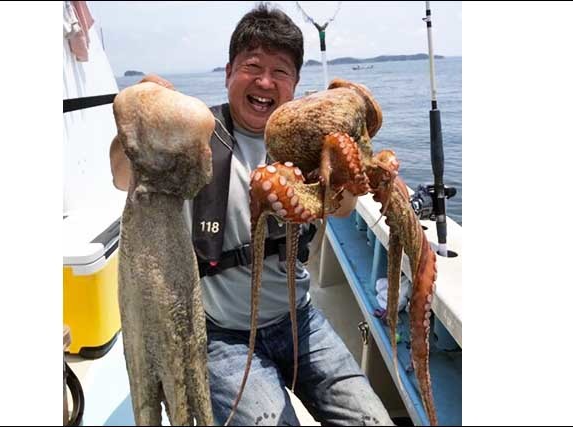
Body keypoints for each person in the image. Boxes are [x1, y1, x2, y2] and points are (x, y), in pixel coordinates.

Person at [110, 4, 395, 426]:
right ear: (228, 73)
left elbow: (344, 208)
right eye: (252, 67)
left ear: (295, 85)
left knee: (372, 420)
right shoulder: (194, 135)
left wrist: (336, 186)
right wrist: (134, 118)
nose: (265, 82)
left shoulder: (310, 143)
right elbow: (122, 176)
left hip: (301, 321)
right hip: (223, 335)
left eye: (280, 72)